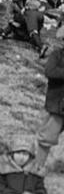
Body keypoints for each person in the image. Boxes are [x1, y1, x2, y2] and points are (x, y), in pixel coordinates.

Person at [34, 24, 64, 171]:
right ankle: (37, 165)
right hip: (58, 104)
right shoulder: (57, 55)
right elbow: (50, 71)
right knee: (47, 137)